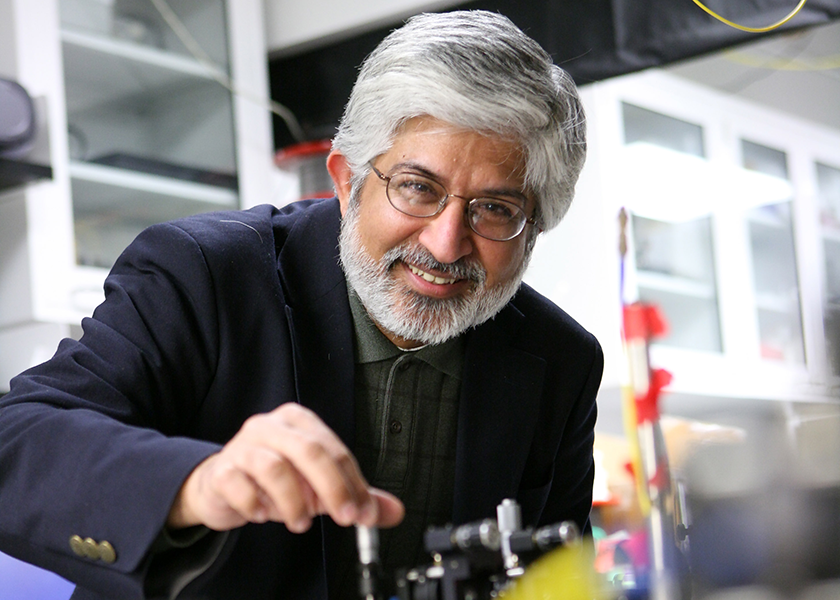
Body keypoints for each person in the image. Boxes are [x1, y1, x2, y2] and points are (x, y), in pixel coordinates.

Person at [0, 9, 602, 600]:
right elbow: (17, 439)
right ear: (346, 182)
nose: (446, 243)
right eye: (417, 187)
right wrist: (194, 483)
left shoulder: (562, 360)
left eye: (495, 209)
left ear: (535, 228)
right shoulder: (204, 274)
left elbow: (556, 580)